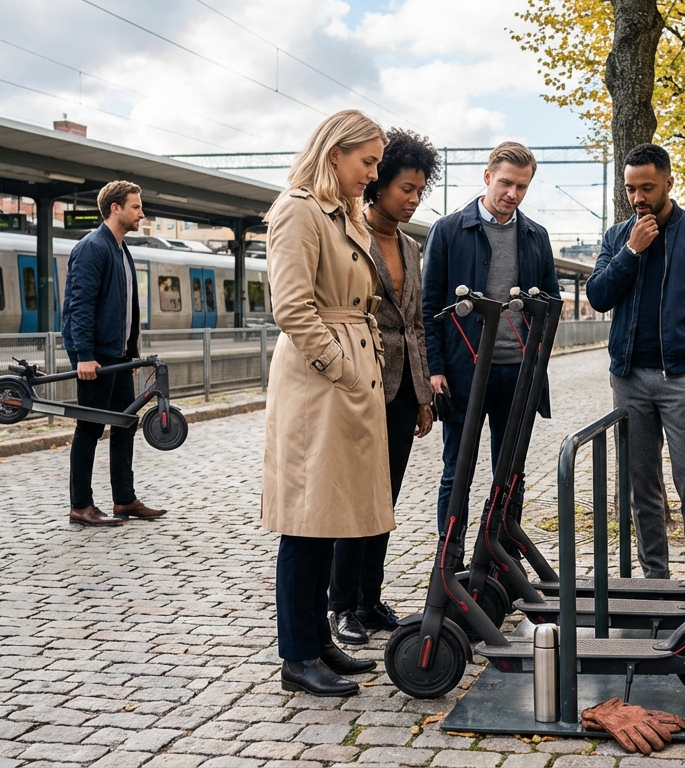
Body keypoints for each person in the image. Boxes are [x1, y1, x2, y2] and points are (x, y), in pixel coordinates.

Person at [262, 110, 390, 696]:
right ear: (334, 152)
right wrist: (340, 366)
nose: (372, 174)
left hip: (346, 376)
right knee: (307, 521)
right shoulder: (299, 210)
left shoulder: (340, 214)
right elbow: (291, 308)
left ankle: (318, 643)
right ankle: (297, 656)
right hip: (321, 384)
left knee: (332, 517)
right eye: (366, 162)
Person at [586, 143, 685, 579]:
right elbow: (598, 296)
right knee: (641, 484)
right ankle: (655, 579)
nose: (638, 197)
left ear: (669, 183)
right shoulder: (618, 237)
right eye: (631, 188)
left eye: (647, 187)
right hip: (629, 378)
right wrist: (630, 252)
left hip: (682, 379)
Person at [329, 128, 440, 646]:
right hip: (360, 385)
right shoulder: (351, 236)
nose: (414, 200)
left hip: (400, 391)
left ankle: (370, 600)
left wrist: (422, 396)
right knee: (354, 499)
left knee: (384, 501)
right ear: (378, 186)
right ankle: (341, 605)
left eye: (420, 191)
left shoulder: (413, 247)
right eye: (405, 189)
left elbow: (414, 324)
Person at [422, 142, 559, 536]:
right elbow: (430, 305)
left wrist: (537, 361)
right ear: (487, 177)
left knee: (511, 472)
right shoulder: (448, 230)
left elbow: (552, 303)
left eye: (521, 186)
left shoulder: (536, 235)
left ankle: (499, 558)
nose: (512, 194)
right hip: (465, 374)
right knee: (457, 470)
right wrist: (435, 369)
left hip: (517, 373)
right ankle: (450, 559)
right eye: (504, 183)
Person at [61, 180, 166, 527]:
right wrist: (84, 356)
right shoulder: (93, 247)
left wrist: (132, 353)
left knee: (125, 423)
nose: (142, 213)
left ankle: (124, 499)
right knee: (89, 427)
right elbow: (80, 306)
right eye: (136, 207)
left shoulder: (121, 250)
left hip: (118, 357)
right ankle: (81, 505)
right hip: (97, 358)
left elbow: (126, 308)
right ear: (115, 208)